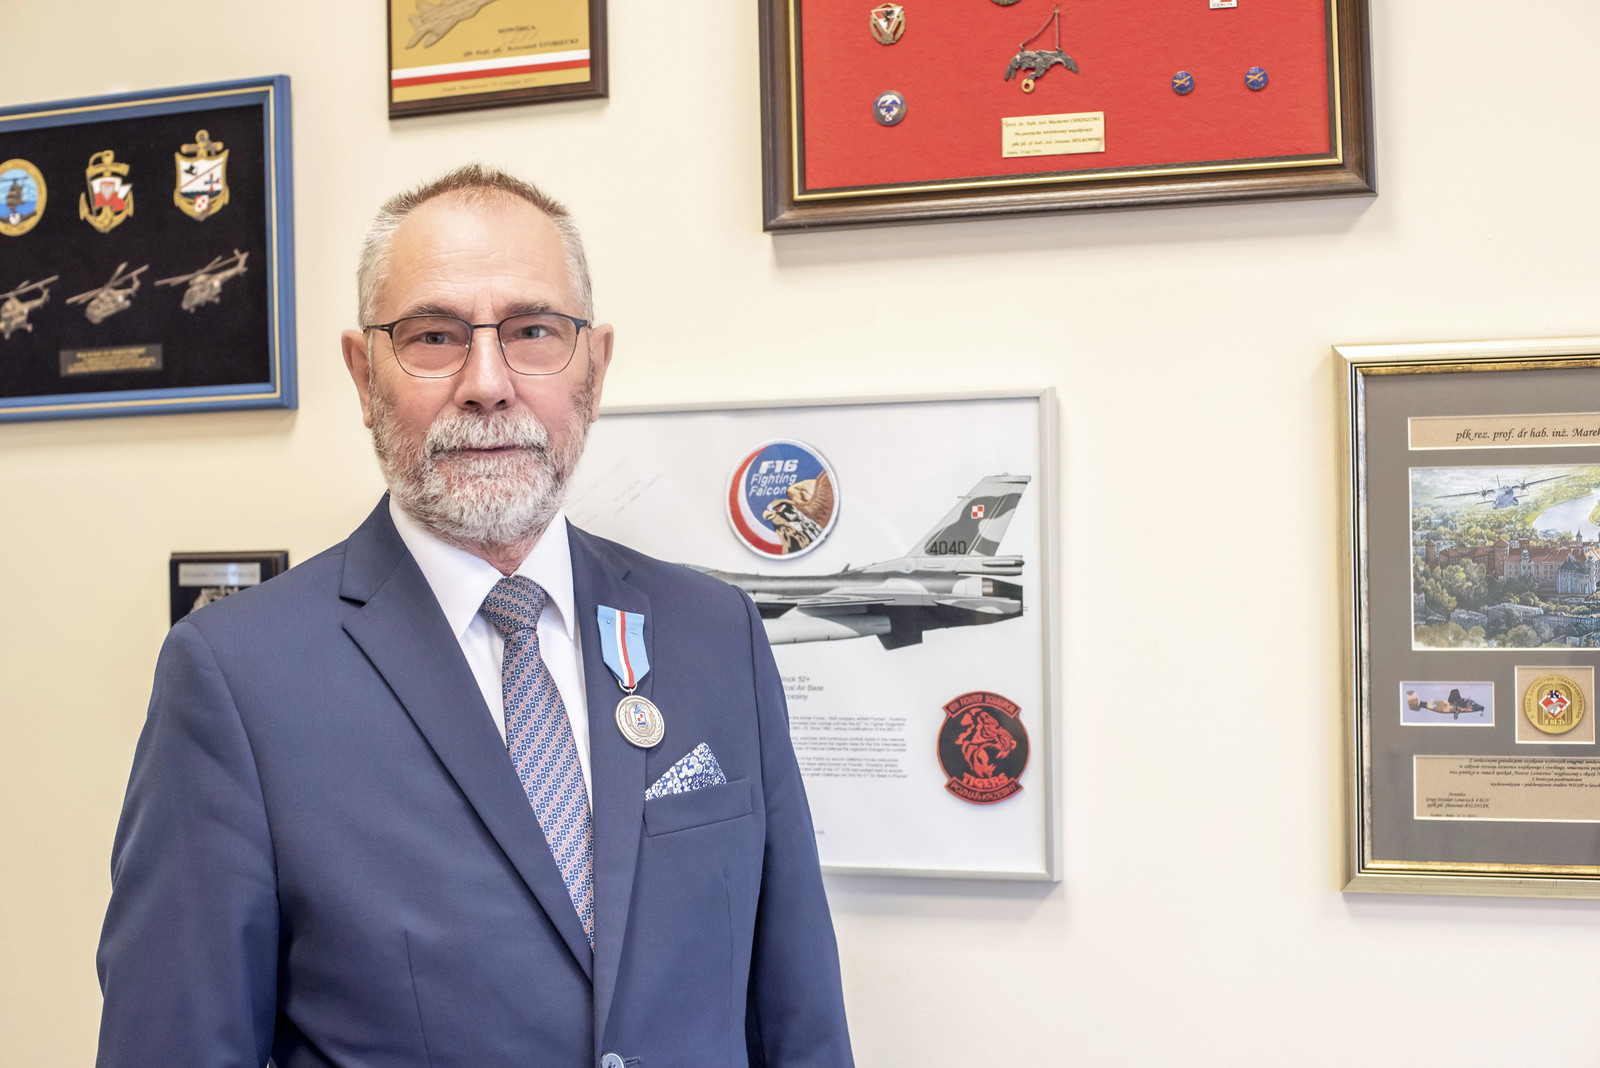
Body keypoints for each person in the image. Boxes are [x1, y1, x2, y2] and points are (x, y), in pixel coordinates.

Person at [96, 165, 854, 1067]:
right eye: (434, 336)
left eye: (533, 331)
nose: (487, 383)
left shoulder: (716, 634)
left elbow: (799, 1023)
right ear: (363, 374)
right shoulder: (236, 681)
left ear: (595, 367)